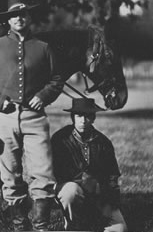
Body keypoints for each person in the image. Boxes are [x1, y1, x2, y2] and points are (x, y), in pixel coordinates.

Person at [0, 0, 64, 231]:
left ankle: (41, 225)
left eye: (23, 14)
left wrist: (43, 96)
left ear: (29, 17)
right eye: (14, 15)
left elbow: (57, 79)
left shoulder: (43, 47)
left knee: (43, 172)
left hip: (34, 118)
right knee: (10, 173)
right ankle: (19, 224)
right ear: (8, 21)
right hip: (5, 118)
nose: (19, 18)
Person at [51, 98, 128, 232]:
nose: (83, 120)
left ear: (93, 118)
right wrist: (82, 181)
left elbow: (112, 174)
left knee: (120, 229)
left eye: (87, 116)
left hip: (99, 195)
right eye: (79, 116)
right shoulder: (60, 139)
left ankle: (93, 220)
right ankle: (72, 225)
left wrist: (109, 199)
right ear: (73, 117)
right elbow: (56, 172)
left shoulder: (103, 142)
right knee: (70, 192)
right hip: (73, 190)